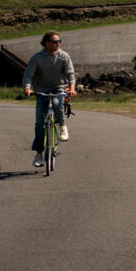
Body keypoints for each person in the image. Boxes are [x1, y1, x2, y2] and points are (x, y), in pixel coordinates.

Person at [23, 31, 77, 168]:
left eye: (59, 41)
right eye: (54, 41)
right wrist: (27, 88)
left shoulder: (64, 56)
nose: (57, 43)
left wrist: (71, 88)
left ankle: (62, 125)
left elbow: (71, 74)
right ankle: (38, 154)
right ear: (46, 43)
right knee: (40, 124)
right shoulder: (37, 58)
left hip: (59, 88)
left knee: (58, 104)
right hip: (41, 91)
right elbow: (28, 74)